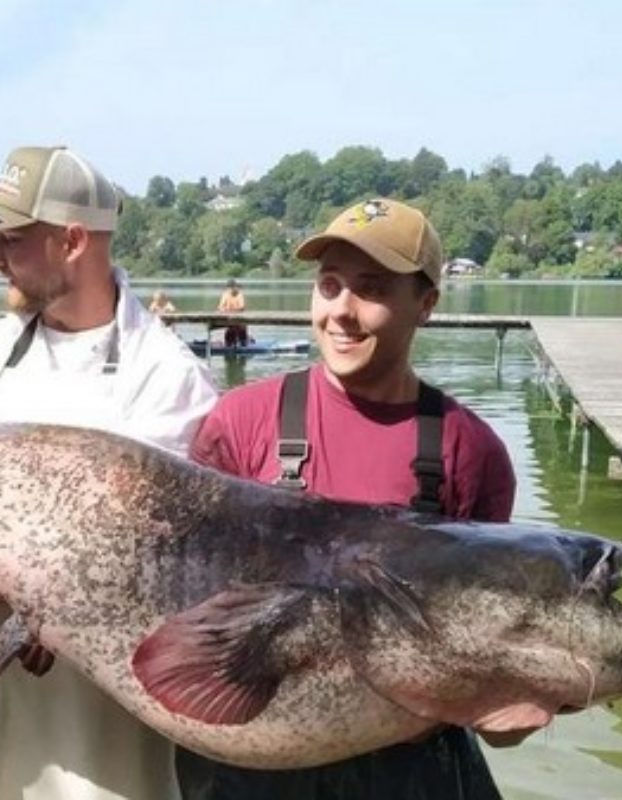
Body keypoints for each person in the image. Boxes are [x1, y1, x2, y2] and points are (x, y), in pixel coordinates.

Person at [176, 198, 527, 799]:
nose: (341, 311)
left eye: (370, 289)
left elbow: (490, 652)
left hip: (406, 768)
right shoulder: (239, 422)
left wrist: (514, 700)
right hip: (257, 755)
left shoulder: (471, 450)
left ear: (427, 303)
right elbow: (188, 613)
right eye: (329, 285)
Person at [0, 145, 218, 800]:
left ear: (73, 240)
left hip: (102, 694)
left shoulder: (168, 379)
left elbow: (151, 552)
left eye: (12, 238)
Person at [216, 278, 248, 348]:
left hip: (240, 319)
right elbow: (220, 307)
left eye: (233, 287)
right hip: (229, 318)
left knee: (242, 327)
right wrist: (224, 310)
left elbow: (241, 307)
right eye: (230, 287)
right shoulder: (225, 294)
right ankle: (229, 343)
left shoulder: (239, 294)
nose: (232, 289)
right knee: (230, 331)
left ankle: (243, 342)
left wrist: (230, 310)